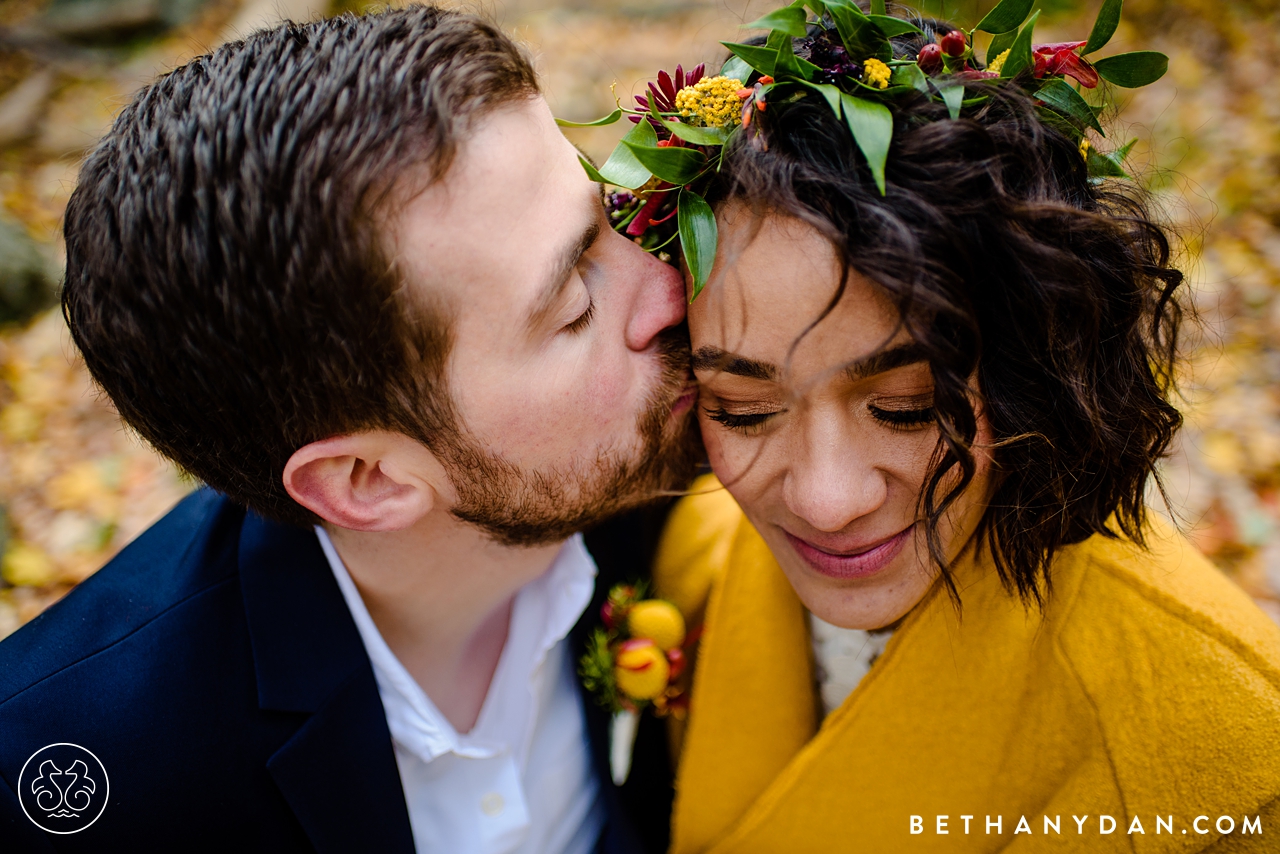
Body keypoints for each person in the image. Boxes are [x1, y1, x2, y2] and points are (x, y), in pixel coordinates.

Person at [0, 7, 698, 851]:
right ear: (369, 479)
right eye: (577, 303)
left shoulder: (697, 471)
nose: (671, 285)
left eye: (606, 216)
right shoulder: (90, 782)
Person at [609, 7, 1280, 853]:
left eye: (908, 407)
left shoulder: (1228, 762)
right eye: (743, 411)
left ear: (1031, 362)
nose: (827, 500)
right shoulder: (693, 554)